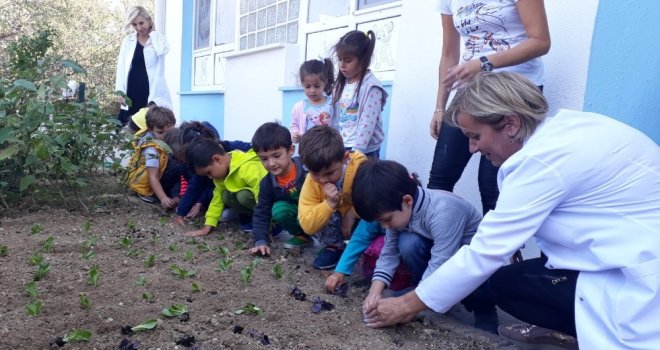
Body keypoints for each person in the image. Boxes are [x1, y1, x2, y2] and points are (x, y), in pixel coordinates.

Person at [363, 72, 660, 349]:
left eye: (474, 136)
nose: (472, 148)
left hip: (638, 279)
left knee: (501, 283)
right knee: (511, 279)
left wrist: (407, 305)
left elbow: (485, 251)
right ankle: (575, 326)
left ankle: (582, 329)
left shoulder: (540, 163)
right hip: (630, 253)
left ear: (511, 124)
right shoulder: (566, 129)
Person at [428, 0, 550, 214]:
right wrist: (440, 107)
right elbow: (449, 54)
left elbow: (540, 41)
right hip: (471, 91)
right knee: (439, 180)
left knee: (493, 188)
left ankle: (503, 246)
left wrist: (484, 62)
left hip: (513, 92)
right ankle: (432, 247)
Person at [351, 160, 496, 332]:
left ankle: (485, 311)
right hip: (440, 250)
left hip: (470, 259)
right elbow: (389, 252)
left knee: (477, 283)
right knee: (407, 243)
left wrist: (408, 308)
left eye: (386, 220)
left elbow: (440, 262)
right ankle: (426, 293)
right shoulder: (399, 212)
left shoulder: (442, 212)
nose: (385, 226)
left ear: (407, 201)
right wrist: (374, 292)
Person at [297, 126, 367, 270]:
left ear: (345, 158)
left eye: (329, 173)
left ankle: (361, 249)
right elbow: (307, 224)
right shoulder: (311, 181)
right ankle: (335, 247)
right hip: (336, 227)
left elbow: (375, 200)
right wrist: (329, 203)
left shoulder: (361, 168)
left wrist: (353, 213)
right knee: (322, 210)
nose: (322, 180)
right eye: (315, 174)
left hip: (360, 220)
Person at [163, 121, 252, 227]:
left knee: (243, 196)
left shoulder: (240, 154)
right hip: (229, 193)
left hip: (253, 191)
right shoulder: (206, 166)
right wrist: (181, 213)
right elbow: (196, 186)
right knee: (221, 194)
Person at [183, 138, 266, 237]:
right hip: (261, 206)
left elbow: (263, 193)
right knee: (226, 195)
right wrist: (207, 227)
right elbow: (217, 200)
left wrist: (263, 226)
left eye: (208, 172)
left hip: (272, 201)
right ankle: (253, 219)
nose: (209, 177)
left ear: (217, 159)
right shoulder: (221, 176)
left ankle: (274, 224)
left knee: (243, 196)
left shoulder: (246, 167)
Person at [249, 122, 308, 256]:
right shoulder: (267, 183)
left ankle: (332, 244)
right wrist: (260, 241)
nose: (271, 163)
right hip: (298, 217)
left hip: (316, 213)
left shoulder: (307, 168)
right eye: (264, 159)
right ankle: (302, 236)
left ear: (291, 150)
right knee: (279, 209)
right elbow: (261, 212)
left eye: (276, 156)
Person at [332, 30, 388, 159]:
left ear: (363, 60)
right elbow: (336, 119)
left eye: (348, 60)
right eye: (339, 59)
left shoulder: (371, 87)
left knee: (362, 179)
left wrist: (357, 152)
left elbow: (367, 122)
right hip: (342, 147)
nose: (342, 65)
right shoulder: (340, 85)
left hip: (364, 150)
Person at [115, 5, 171, 126]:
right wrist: (120, 91)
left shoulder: (159, 39)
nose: (139, 28)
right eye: (134, 24)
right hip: (131, 89)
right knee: (129, 125)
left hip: (150, 88)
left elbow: (163, 50)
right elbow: (121, 67)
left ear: (149, 20)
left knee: (148, 122)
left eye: (141, 23)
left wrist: (153, 33)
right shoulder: (128, 41)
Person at [126, 105, 182, 208]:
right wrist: (163, 198)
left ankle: (177, 196)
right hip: (147, 183)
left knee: (178, 166)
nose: (166, 135)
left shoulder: (169, 139)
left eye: (169, 131)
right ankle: (149, 193)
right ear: (151, 129)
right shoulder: (151, 149)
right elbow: (153, 176)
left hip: (162, 173)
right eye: (160, 132)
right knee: (175, 166)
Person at [290, 59, 336, 144]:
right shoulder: (299, 107)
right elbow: (294, 125)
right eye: (308, 86)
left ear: (325, 82)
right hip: (308, 150)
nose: (312, 90)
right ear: (302, 84)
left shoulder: (332, 104)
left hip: (328, 150)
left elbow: (337, 126)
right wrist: (295, 134)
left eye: (317, 86)